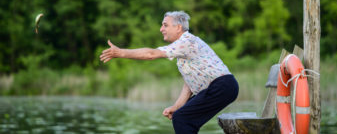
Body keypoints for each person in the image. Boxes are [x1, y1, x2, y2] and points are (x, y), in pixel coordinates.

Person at [100, 11, 239, 134]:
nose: (161, 29)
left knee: (182, 118)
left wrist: (121, 52)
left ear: (178, 27)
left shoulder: (186, 41)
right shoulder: (182, 50)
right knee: (182, 117)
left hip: (222, 86)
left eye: (165, 25)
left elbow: (151, 54)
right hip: (222, 87)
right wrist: (176, 106)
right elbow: (188, 85)